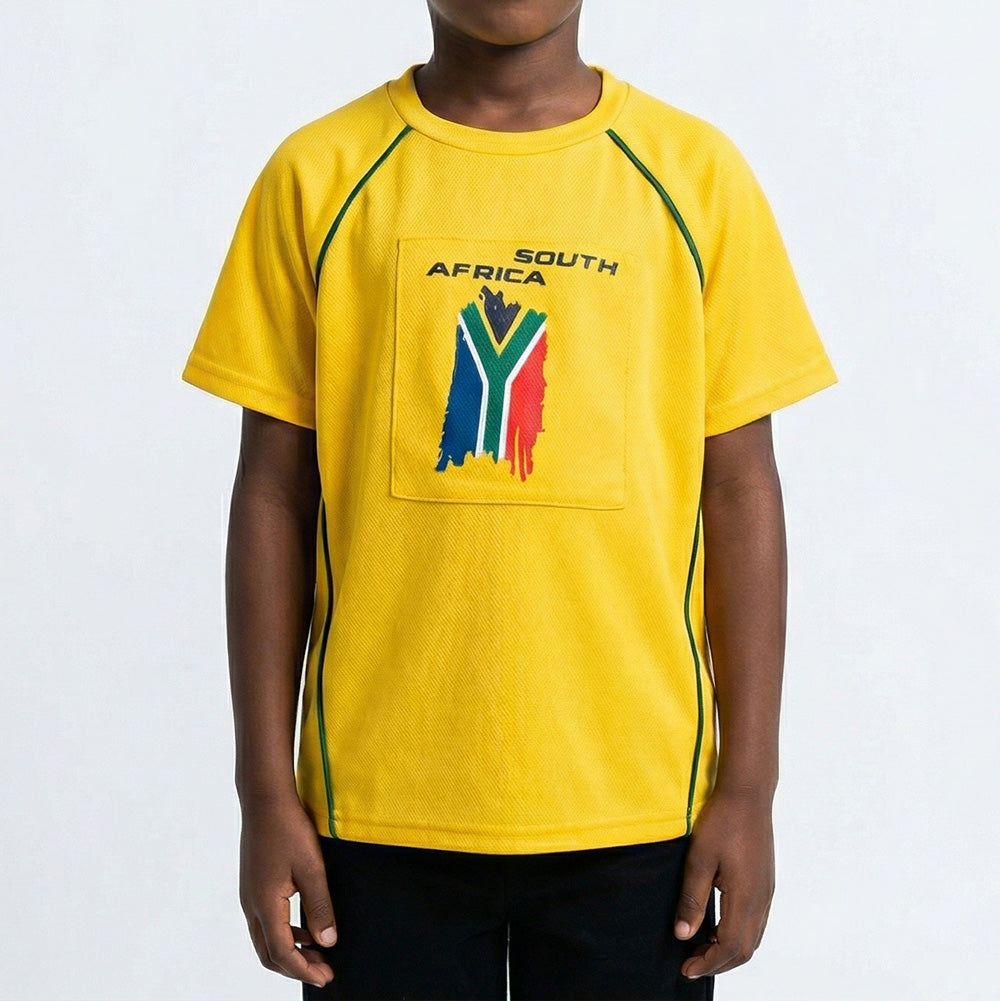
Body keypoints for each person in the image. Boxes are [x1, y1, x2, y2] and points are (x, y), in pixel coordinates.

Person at [180, 2, 837, 998]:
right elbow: (273, 491)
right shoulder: (319, 175)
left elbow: (741, 490)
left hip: (638, 805)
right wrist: (262, 789)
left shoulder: (695, 178)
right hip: (375, 808)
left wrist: (750, 784)